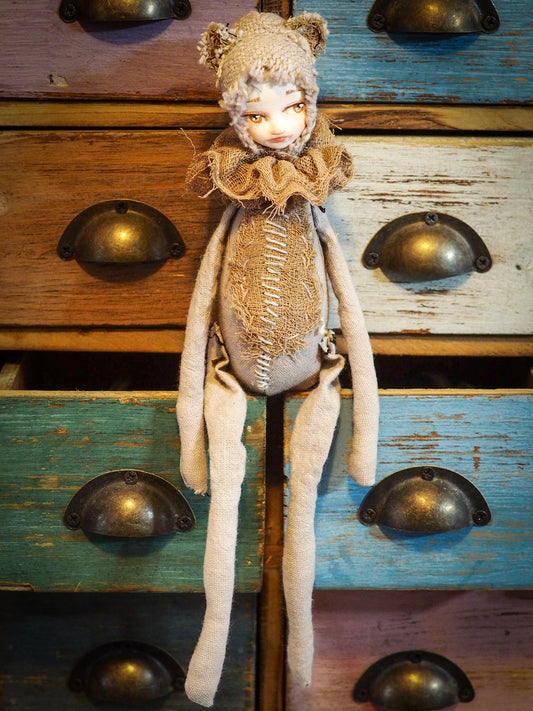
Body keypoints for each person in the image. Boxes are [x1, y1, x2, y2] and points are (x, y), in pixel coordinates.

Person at [176, 11, 379, 707]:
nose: (276, 128)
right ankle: (208, 657)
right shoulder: (237, 201)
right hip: (229, 377)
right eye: (254, 114)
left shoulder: (311, 199)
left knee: (303, 518)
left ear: (310, 104)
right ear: (235, 119)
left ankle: (300, 659)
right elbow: (200, 308)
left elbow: (350, 308)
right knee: (224, 508)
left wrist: (365, 435)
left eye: (293, 107)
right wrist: (191, 437)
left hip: (314, 375)